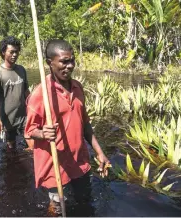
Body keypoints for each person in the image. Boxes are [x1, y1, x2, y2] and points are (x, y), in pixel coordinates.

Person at [24, 39, 111, 216]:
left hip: (79, 159)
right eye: (64, 61)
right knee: (56, 208)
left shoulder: (78, 87)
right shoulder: (41, 93)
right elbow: (29, 130)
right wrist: (42, 133)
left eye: (72, 60)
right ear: (50, 63)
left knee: (84, 202)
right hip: (54, 162)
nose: (70, 66)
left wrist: (99, 152)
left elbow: (85, 124)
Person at [0, 36, 32, 150]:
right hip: (8, 120)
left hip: (24, 117)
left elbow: (26, 92)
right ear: (3, 52)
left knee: (33, 147)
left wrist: (34, 108)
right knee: (11, 149)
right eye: (11, 52)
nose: (15, 55)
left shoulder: (21, 70)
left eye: (17, 52)